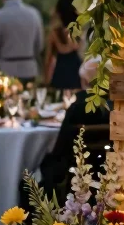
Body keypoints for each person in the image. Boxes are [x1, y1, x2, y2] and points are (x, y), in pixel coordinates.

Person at [37, 57, 110, 200]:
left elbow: (60, 150)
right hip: (105, 171)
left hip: (71, 174)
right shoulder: (111, 107)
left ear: (84, 81)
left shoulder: (77, 109)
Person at [45, 0, 82, 90]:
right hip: (77, 73)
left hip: (60, 74)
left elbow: (48, 60)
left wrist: (46, 82)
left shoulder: (54, 33)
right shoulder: (79, 31)